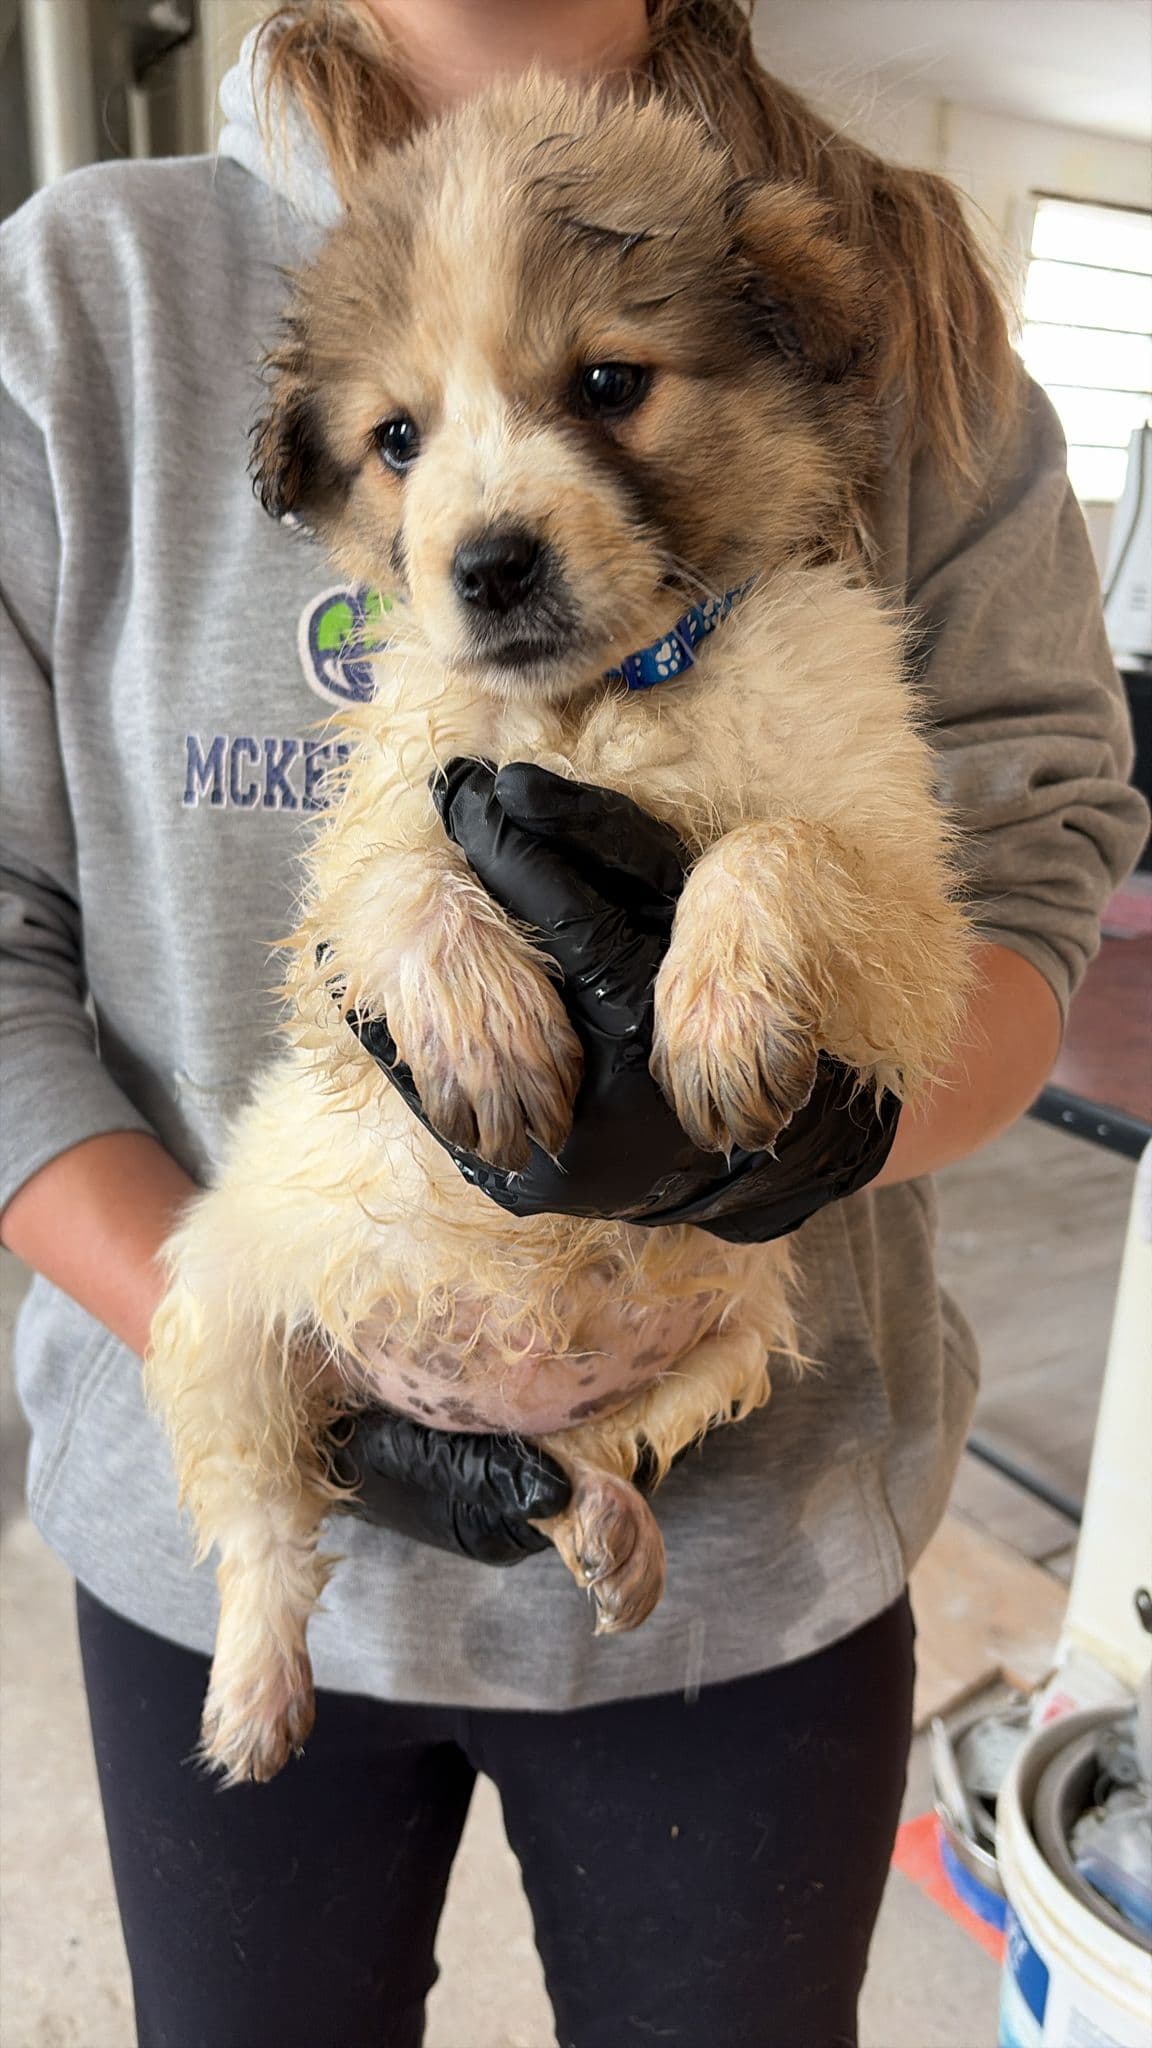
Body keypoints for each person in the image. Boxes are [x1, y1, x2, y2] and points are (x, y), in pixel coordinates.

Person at [0, 2, 1145, 2043]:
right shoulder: (84, 284)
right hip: (216, 1517)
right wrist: (246, 1327)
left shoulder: (871, 286)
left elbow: (1040, 830)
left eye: (610, 385)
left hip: (751, 1550)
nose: (488, 508)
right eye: (408, 438)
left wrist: (832, 1115)